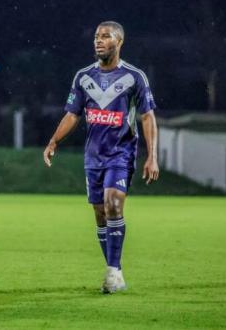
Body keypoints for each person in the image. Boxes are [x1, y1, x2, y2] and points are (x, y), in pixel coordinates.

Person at [42, 21, 159, 293]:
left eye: (105, 36)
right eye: (96, 36)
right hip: (93, 156)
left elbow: (147, 116)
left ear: (119, 42)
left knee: (113, 204)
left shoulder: (134, 76)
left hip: (121, 152)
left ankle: (112, 272)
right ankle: (114, 270)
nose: (98, 40)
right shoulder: (83, 77)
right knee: (99, 213)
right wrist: (54, 141)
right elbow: (73, 114)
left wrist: (152, 156)